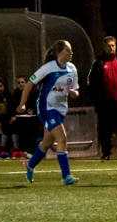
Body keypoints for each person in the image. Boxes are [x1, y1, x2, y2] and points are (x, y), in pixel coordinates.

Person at [19, 40, 80, 185]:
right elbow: (29, 84)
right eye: (68, 51)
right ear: (59, 54)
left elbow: (75, 90)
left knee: (47, 142)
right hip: (47, 107)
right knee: (62, 137)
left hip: (61, 108)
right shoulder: (48, 68)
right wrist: (22, 103)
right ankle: (67, 176)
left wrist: (74, 93)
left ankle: (30, 164)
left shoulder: (72, 69)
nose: (71, 53)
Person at [87, 36, 117, 160]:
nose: (111, 48)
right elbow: (91, 82)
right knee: (105, 129)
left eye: (113, 45)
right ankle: (106, 152)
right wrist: (96, 100)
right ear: (104, 47)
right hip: (105, 102)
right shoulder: (98, 63)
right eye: (109, 46)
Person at [10, 74, 39, 152]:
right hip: (19, 118)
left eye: (22, 82)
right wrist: (14, 115)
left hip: (32, 118)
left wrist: (33, 110)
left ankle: (32, 147)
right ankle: (17, 148)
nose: (21, 84)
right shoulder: (14, 95)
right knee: (14, 125)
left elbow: (36, 105)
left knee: (31, 126)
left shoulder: (33, 94)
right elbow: (12, 108)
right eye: (19, 83)